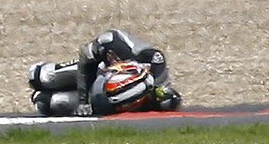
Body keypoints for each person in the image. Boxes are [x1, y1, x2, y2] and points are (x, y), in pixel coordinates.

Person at [27, 29, 182, 116]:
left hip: (107, 99)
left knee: (48, 103)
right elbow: (85, 61)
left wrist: (166, 100)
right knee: (40, 76)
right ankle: (46, 72)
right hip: (96, 71)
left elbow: (167, 95)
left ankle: (44, 97)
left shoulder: (156, 61)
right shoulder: (110, 41)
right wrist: (83, 101)